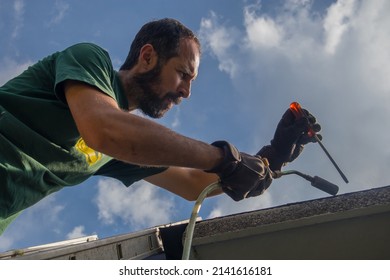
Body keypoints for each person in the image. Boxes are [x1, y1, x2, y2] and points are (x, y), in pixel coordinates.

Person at [0, 18, 320, 235]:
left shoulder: (123, 148)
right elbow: (104, 129)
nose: (186, 92)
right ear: (148, 57)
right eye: (183, 74)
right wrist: (224, 158)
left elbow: (193, 184)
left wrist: (272, 159)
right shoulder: (90, 60)